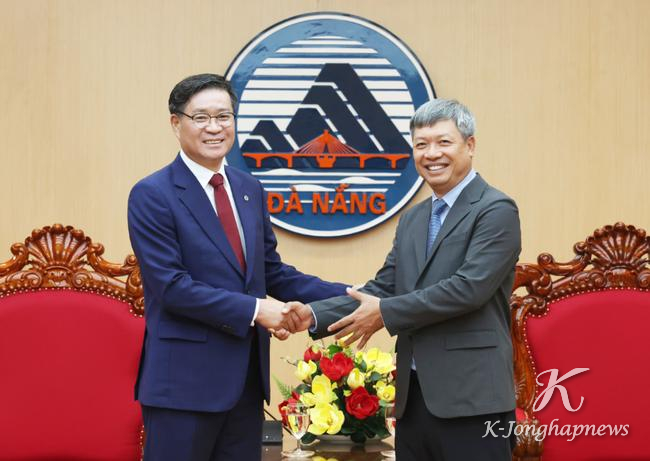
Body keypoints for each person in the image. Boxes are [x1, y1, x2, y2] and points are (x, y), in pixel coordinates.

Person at [127, 73, 347, 461]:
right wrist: (258, 310)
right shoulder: (153, 194)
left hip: (245, 385)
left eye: (223, 116)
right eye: (201, 117)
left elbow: (271, 272)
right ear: (176, 123)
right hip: (183, 389)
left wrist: (352, 295)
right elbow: (172, 287)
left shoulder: (249, 189)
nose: (214, 127)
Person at [287, 99, 521, 460]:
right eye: (421, 144)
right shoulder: (414, 218)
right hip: (414, 402)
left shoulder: (495, 209)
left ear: (470, 145)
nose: (432, 154)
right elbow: (383, 288)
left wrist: (385, 313)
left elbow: (468, 289)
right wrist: (313, 315)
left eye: (444, 142)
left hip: (473, 399)